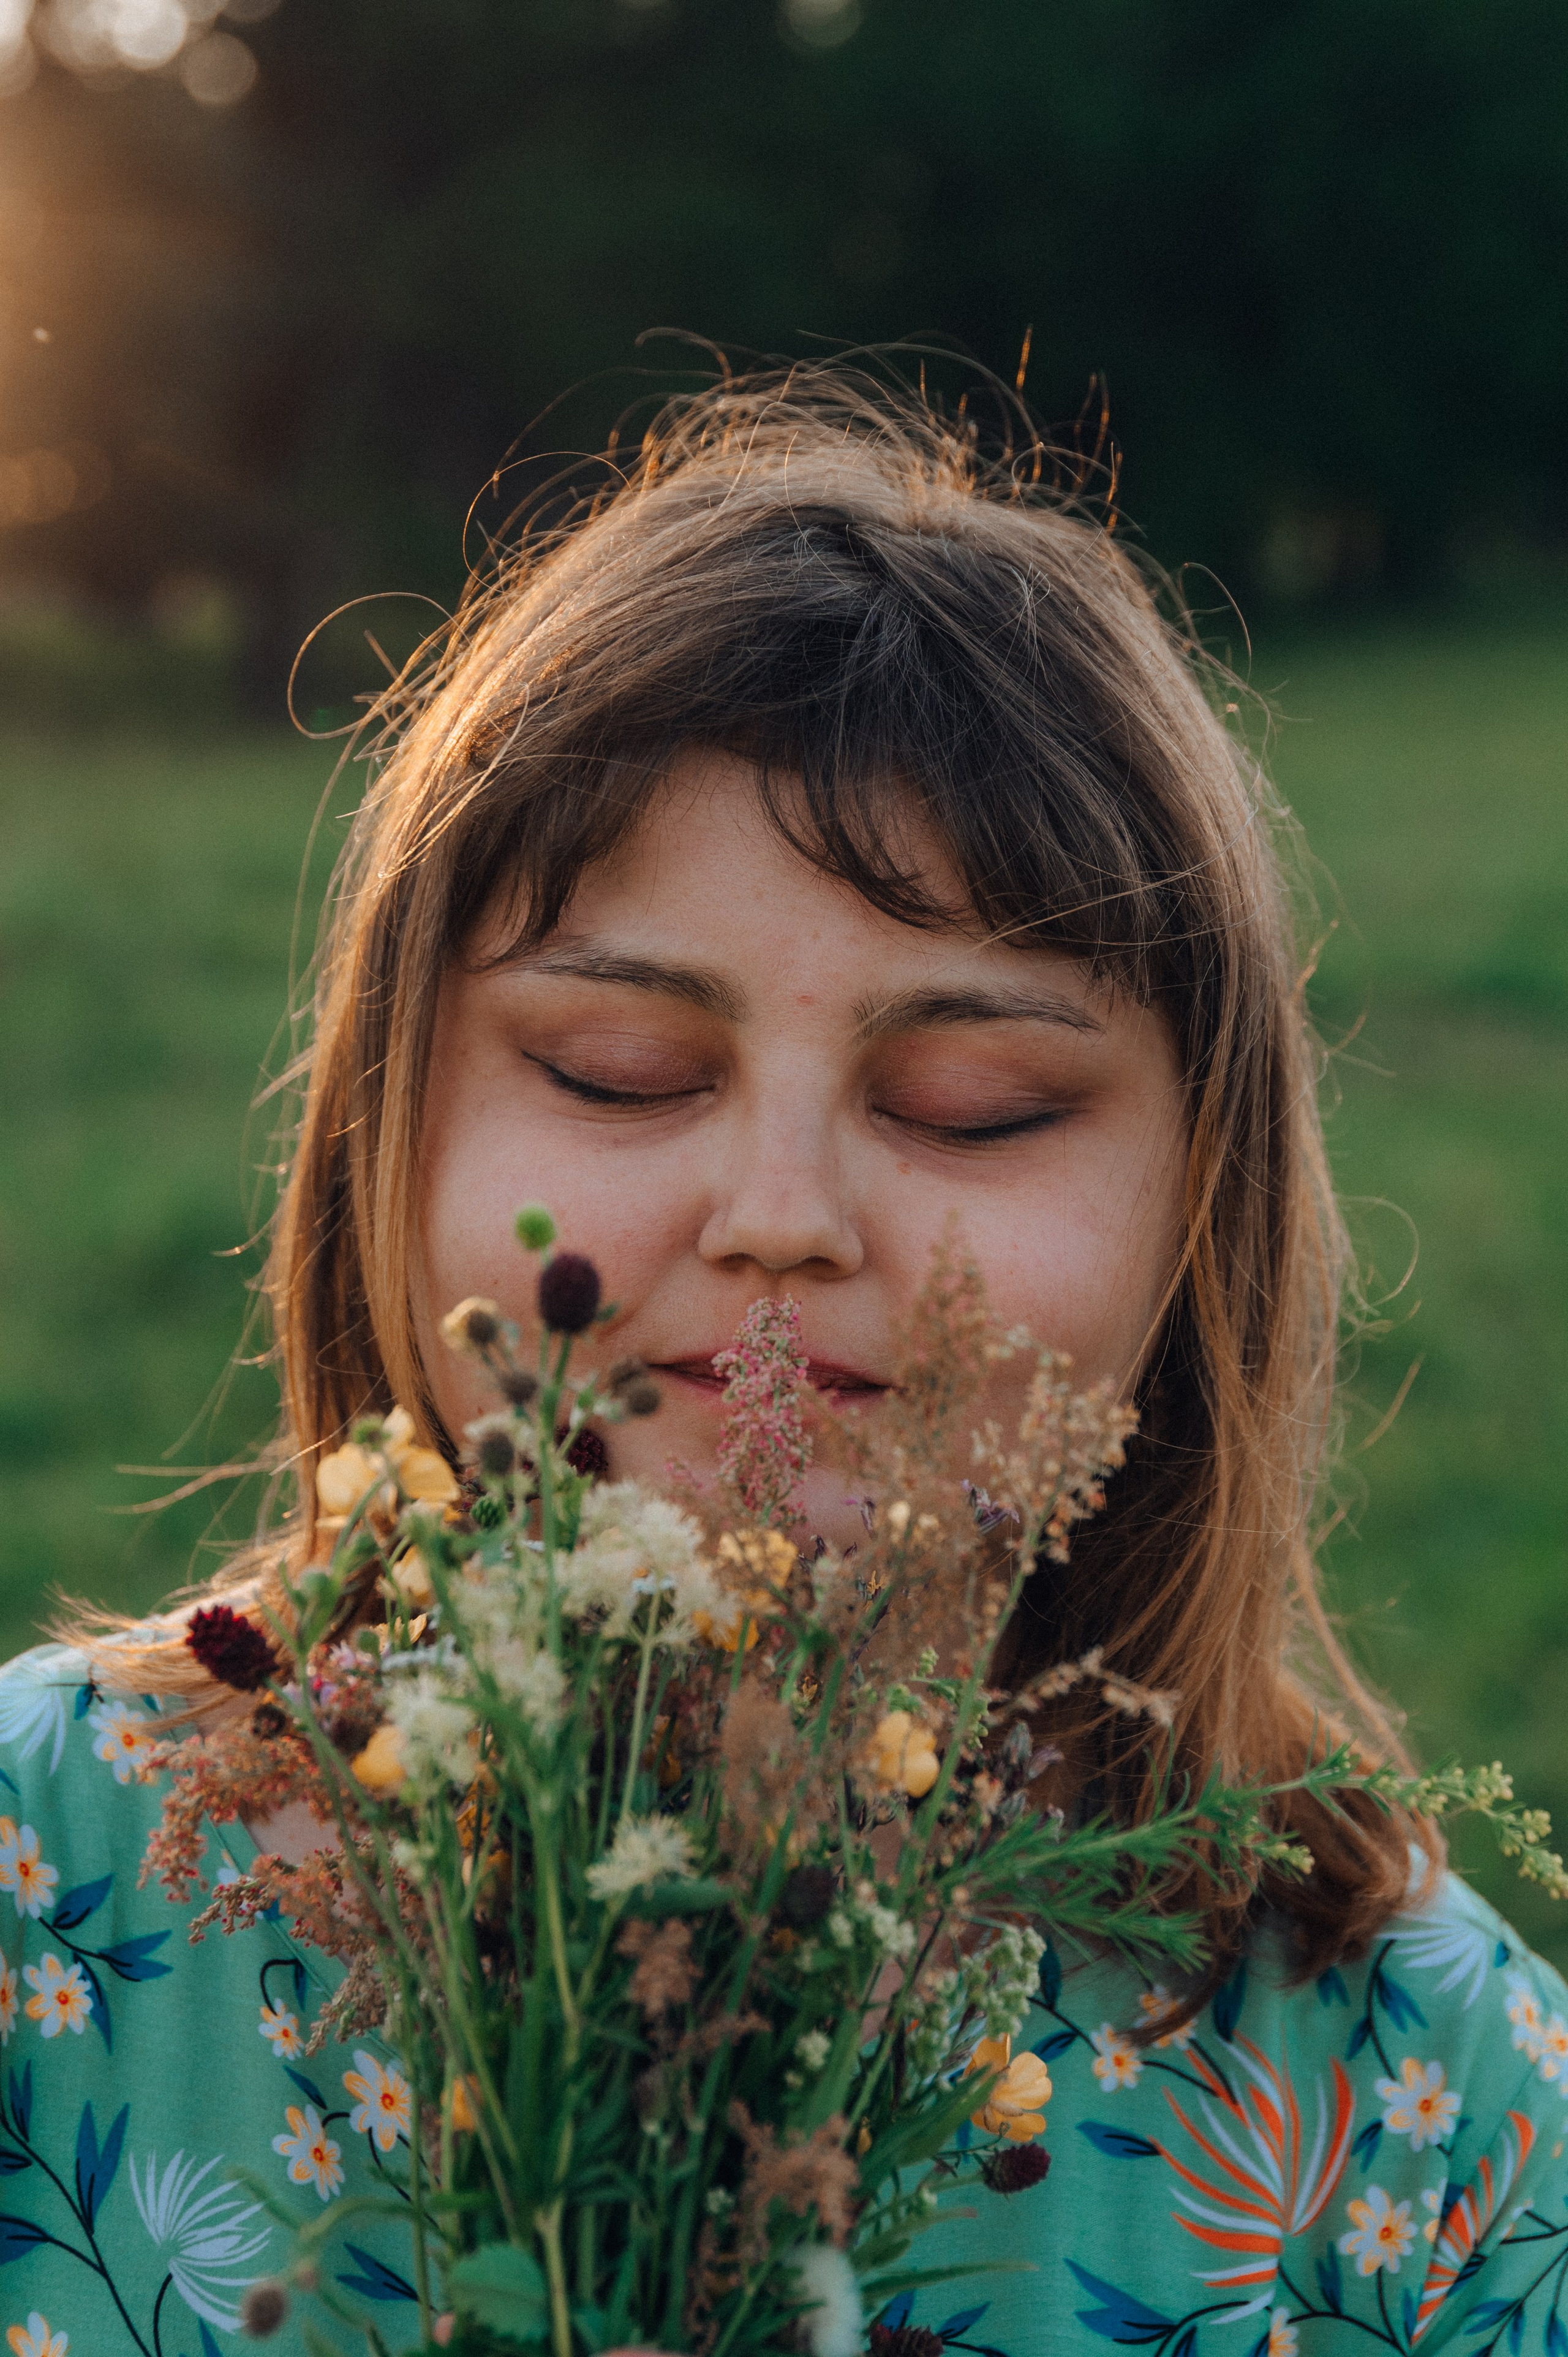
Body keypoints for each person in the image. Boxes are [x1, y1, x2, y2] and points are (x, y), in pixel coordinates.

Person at [2, 368, 1562, 2357]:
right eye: (617, 1070)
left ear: (1202, 1223)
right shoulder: (45, 1892)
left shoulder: (1441, 2127)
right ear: (387, 1148)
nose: (780, 1212)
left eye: (979, 1103)